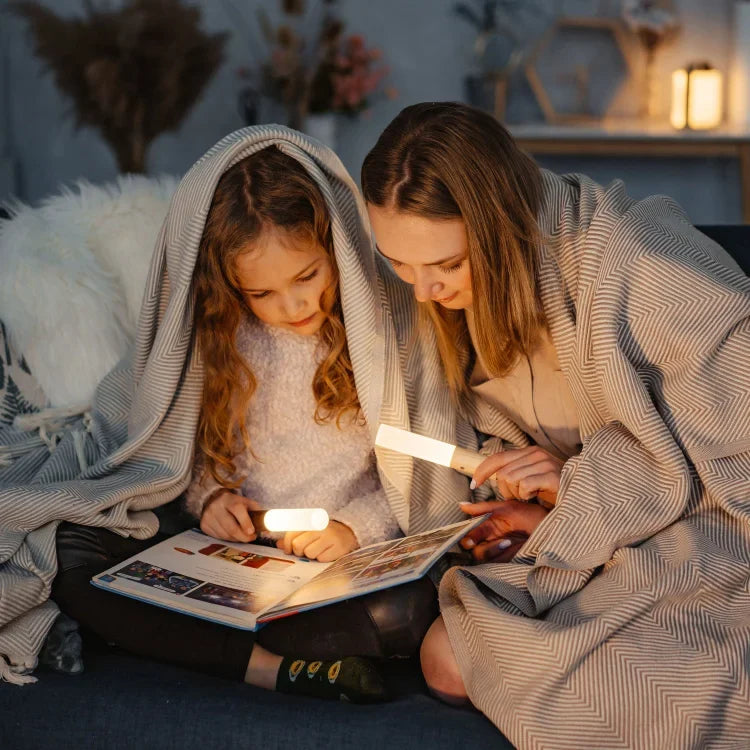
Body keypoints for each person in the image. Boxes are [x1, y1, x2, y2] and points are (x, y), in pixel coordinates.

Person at [360, 102, 750, 746]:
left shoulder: (636, 257)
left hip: (708, 525)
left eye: (447, 265)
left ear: (500, 224)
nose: (422, 290)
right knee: (449, 653)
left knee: (683, 684)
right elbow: (506, 430)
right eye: (400, 263)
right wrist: (534, 507)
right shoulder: (442, 303)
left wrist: (577, 485)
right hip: (593, 529)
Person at [50, 141, 436, 704]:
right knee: (71, 554)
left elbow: (414, 474)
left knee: (407, 610)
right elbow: (177, 449)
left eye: (307, 275)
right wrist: (209, 499)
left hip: (333, 560)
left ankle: (197, 643)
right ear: (231, 287)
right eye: (261, 293)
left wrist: (352, 529)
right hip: (234, 555)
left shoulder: (381, 332)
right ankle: (271, 667)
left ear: (336, 245)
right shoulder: (218, 338)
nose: (292, 304)